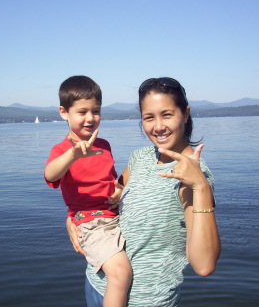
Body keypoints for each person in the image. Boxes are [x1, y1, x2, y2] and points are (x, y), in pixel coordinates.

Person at [67, 77, 221, 306]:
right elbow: (104, 197)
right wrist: (74, 217)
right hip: (99, 284)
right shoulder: (140, 158)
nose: (158, 126)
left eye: (167, 114)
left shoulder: (193, 177)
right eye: (149, 117)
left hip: (146, 300)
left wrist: (200, 187)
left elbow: (204, 265)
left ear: (185, 114)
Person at [44, 75, 132, 307]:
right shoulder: (62, 150)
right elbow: (50, 175)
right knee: (121, 273)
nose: (90, 118)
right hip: (92, 222)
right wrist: (73, 155)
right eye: (82, 112)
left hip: (117, 215)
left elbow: (110, 180)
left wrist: (119, 190)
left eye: (96, 111)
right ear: (64, 112)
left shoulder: (104, 145)